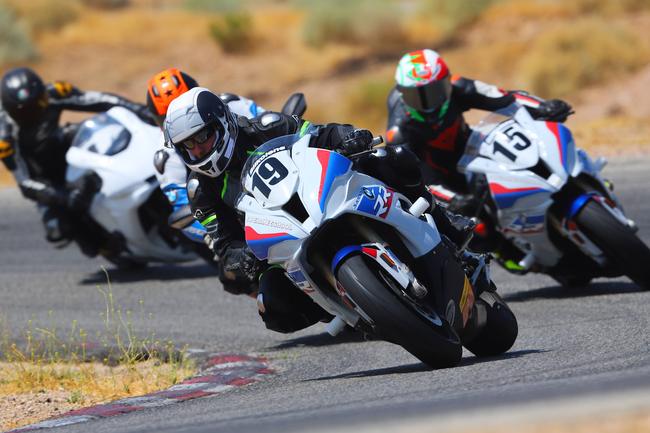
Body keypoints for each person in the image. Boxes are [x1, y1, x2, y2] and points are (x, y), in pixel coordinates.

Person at [163, 87, 475, 333]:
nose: (197, 149)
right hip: (281, 241)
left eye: (202, 137)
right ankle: (350, 307)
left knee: (391, 157)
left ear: (223, 122)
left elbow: (321, 133)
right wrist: (237, 256)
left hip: (320, 194)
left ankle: (445, 222)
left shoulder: (266, 127)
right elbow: (224, 242)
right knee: (272, 306)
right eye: (187, 145)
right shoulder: (200, 191)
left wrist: (351, 138)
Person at [386, 49, 573, 213]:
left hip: (470, 148)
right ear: (402, 94)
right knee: (477, 227)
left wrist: (543, 107)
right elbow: (416, 180)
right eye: (415, 97)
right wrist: (453, 200)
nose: (427, 104)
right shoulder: (399, 133)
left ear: (447, 83)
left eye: (434, 92)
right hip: (440, 178)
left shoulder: (459, 86)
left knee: (526, 165)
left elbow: (504, 98)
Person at [0, 67, 154, 254]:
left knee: (104, 132)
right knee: (58, 228)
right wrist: (61, 197)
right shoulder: (5, 137)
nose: (35, 113)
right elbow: (24, 183)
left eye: (38, 104)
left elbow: (101, 100)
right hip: (42, 178)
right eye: (25, 112)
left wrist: (140, 110)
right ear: (11, 110)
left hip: (62, 144)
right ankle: (105, 247)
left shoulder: (53, 94)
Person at [145, 67, 265, 256]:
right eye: (166, 118)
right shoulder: (165, 156)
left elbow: (270, 125)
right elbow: (182, 208)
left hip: (270, 177)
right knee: (234, 267)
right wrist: (213, 234)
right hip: (230, 213)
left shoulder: (231, 104)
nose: (181, 123)